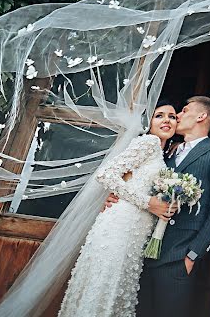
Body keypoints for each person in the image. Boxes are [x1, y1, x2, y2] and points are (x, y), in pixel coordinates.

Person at [106, 96, 210, 317]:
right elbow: (137, 182)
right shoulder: (165, 151)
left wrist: (192, 255)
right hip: (140, 251)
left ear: (201, 116)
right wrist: (115, 197)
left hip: (178, 256)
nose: (178, 115)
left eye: (184, 111)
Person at [57, 101, 180, 317]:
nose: (167, 120)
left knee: (117, 287)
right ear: (149, 122)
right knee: (106, 284)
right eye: (160, 116)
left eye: (172, 116)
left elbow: (133, 180)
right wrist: (149, 203)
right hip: (121, 225)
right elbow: (106, 175)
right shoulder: (148, 143)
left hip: (135, 230)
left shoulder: (163, 153)